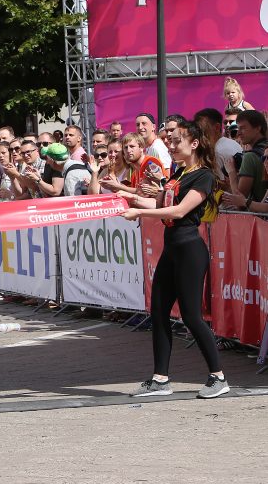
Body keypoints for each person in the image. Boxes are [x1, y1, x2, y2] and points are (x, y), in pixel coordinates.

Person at [118, 119, 228, 399]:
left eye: (177, 140)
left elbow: (179, 212)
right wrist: (125, 198)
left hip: (190, 249)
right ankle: (160, 379)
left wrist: (139, 212)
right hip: (172, 248)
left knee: (191, 316)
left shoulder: (203, 175)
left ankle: (218, 377)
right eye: (169, 139)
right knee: (158, 312)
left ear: (194, 143)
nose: (171, 143)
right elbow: (160, 204)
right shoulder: (179, 172)